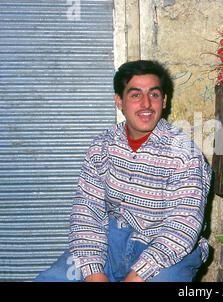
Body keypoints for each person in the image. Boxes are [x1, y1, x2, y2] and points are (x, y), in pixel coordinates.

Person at [35, 60, 212, 282]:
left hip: (168, 250)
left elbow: (184, 225)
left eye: (154, 95)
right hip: (111, 243)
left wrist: (138, 275)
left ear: (164, 101)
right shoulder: (102, 146)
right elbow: (87, 213)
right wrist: (94, 272)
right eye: (135, 95)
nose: (146, 104)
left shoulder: (185, 154)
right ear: (119, 101)